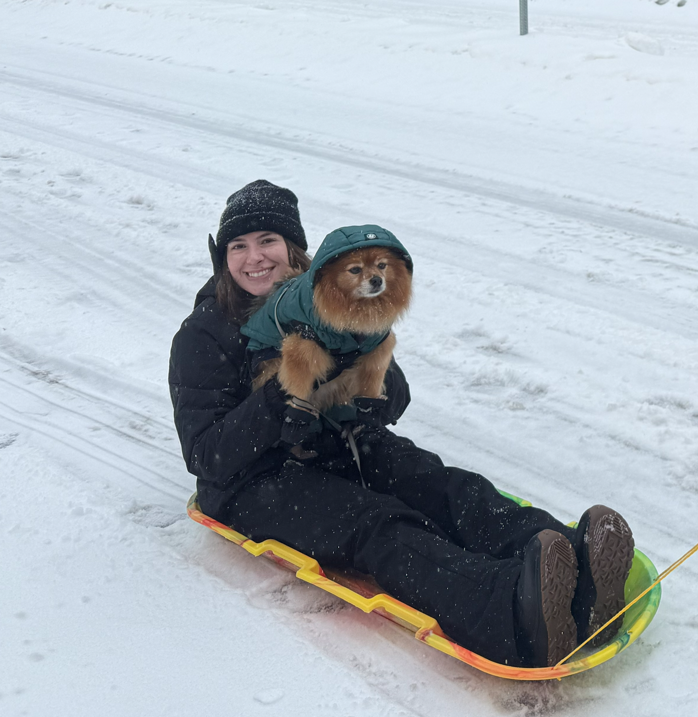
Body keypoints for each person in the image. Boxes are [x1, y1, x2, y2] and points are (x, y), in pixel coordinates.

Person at [168, 180, 635, 668]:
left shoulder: (326, 299)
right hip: (254, 480)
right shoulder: (204, 334)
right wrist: (281, 396)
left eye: (267, 240)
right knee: (379, 524)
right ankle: (512, 614)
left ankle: (577, 565)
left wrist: (373, 389)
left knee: (442, 486)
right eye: (238, 246)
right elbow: (204, 455)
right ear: (223, 258)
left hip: (339, 445)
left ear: (293, 249)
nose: (254, 257)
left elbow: (394, 395)